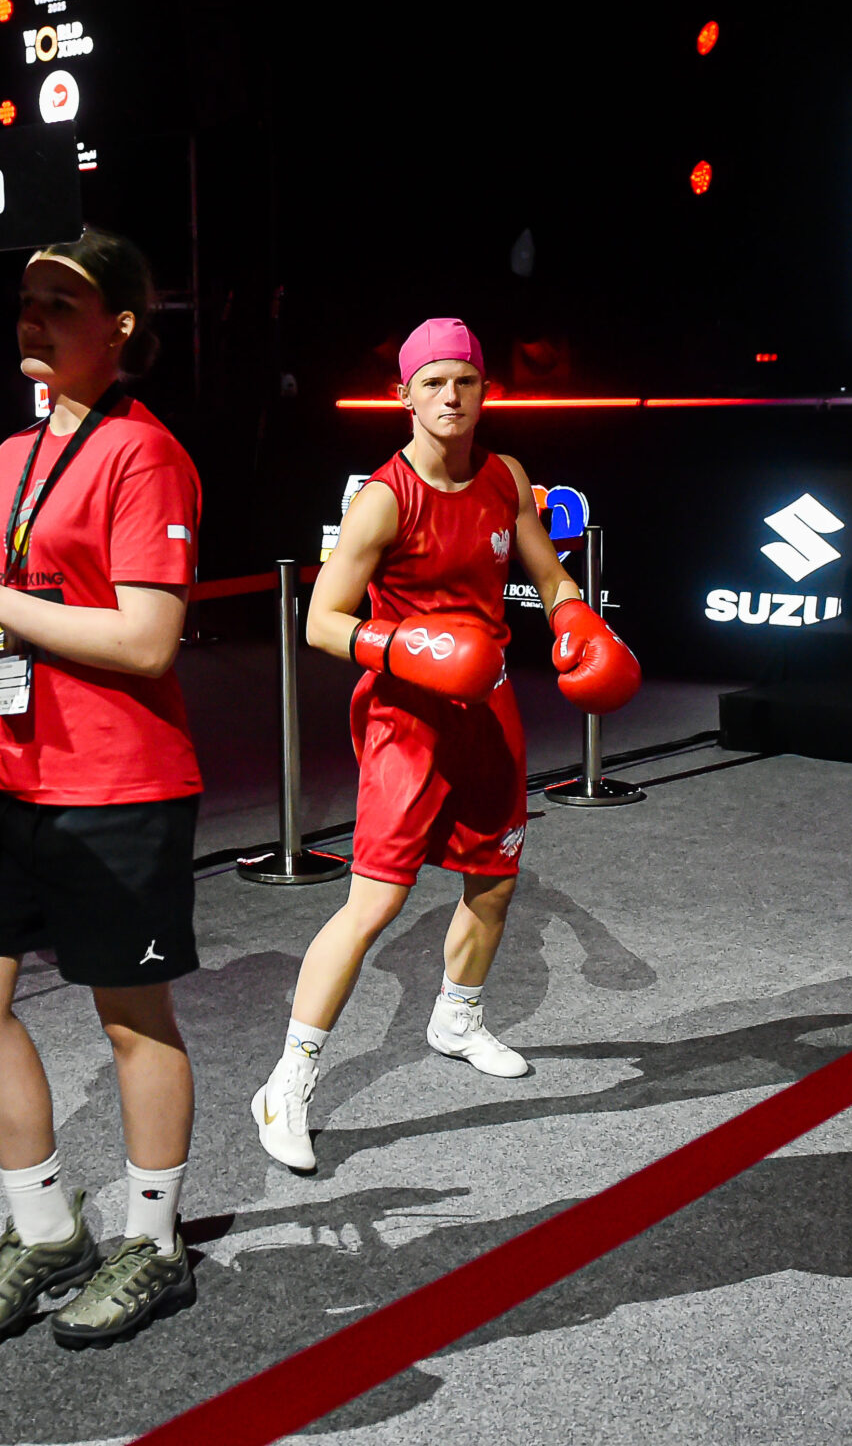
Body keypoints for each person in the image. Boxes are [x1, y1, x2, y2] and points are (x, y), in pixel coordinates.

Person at [252, 317, 639, 1173]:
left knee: (493, 882)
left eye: (464, 380)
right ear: (405, 396)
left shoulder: (506, 476)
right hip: (407, 716)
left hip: (487, 702)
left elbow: (548, 572)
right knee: (374, 904)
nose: (450, 396)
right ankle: (286, 1082)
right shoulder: (384, 498)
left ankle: (456, 1021)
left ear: (484, 390)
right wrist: (406, 646)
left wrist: (575, 615)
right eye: (433, 383)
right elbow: (320, 621)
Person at [0, 230, 205, 1348]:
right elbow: (12, 613)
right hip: (4, 769)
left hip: (118, 781)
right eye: (27, 301)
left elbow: (146, 639)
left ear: (120, 328)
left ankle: (154, 1244)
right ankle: (46, 1234)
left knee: (131, 1016)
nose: (33, 320)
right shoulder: (8, 460)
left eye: (62, 305)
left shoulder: (146, 455)